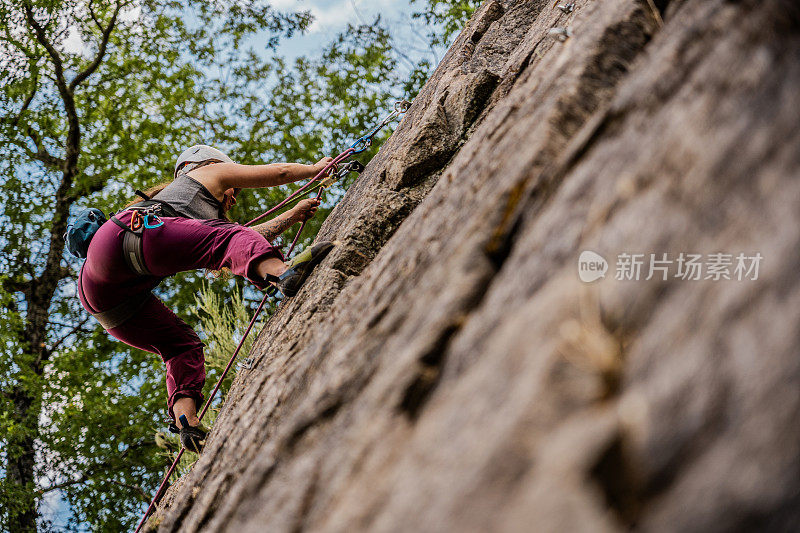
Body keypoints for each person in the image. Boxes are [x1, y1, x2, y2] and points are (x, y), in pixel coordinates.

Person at [77, 145, 335, 452]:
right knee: (229, 239)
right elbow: (277, 176)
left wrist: (292, 216)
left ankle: (188, 425)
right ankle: (282, 273)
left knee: (180, 346)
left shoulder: (190, 215)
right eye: (234, 188)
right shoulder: (205, 173)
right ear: (206, 163)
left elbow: (236, 240)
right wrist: (316, 168)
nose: (235, 196)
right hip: (132, 236)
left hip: (100, 293)